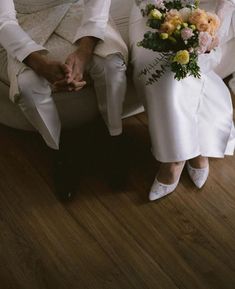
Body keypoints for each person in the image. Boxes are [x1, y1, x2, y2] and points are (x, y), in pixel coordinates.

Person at [0, 0, 128, 200]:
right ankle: (58, 150)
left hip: (75, 9)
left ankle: (115, 138)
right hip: (22, 20)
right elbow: (4, 20)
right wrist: (40, 65)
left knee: (111, 64)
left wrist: (84, 51)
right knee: (27, 85)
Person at [129, 0, 235, 201]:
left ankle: (196, 146)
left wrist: (215, 26)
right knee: (163, 70)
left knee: (190, 62)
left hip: (207, 10)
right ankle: (175, 157)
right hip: (151, 9)